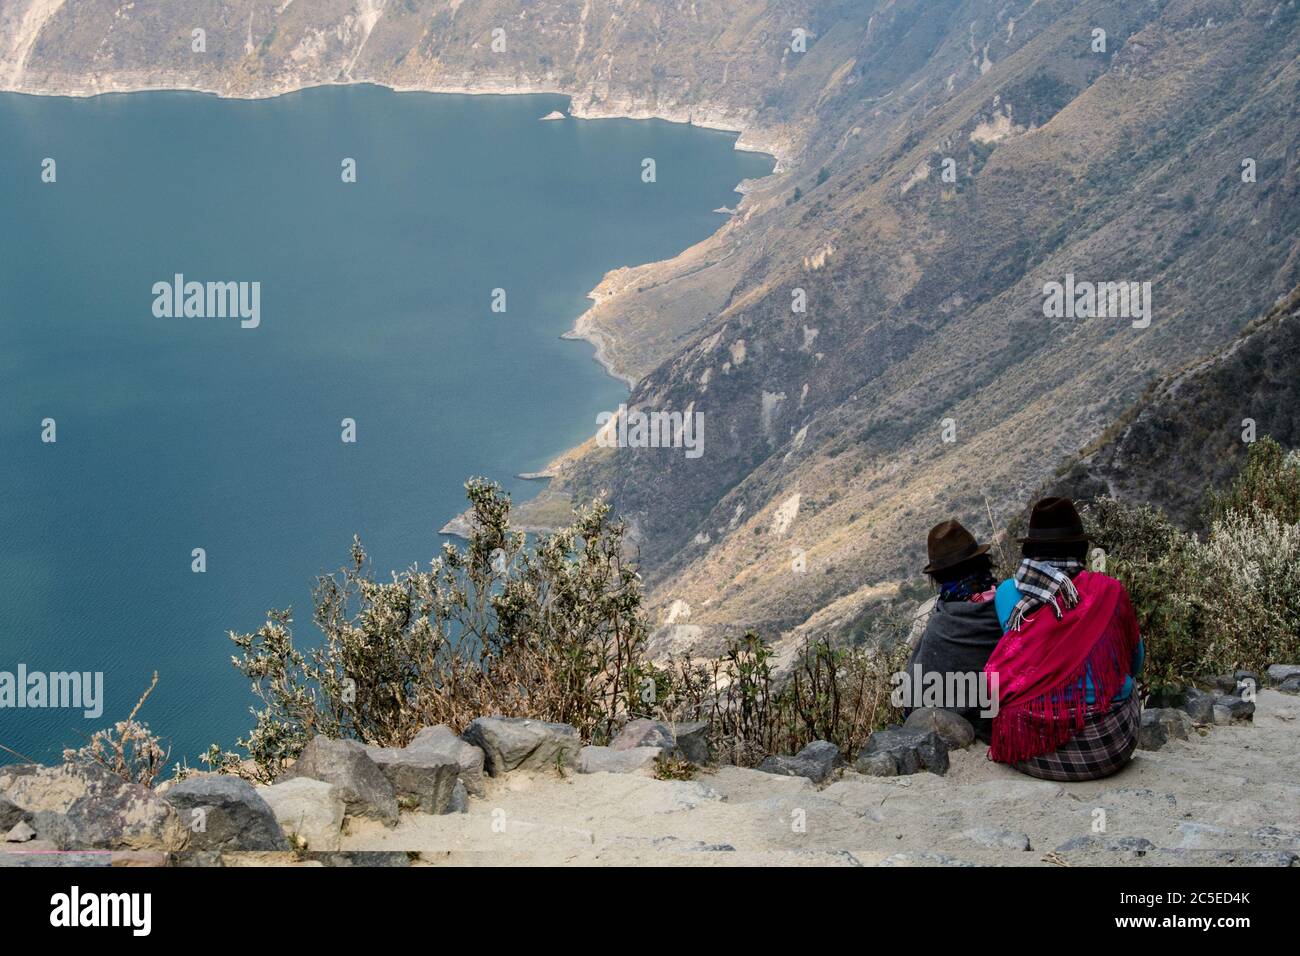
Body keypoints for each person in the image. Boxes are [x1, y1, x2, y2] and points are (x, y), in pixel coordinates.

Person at [984, 497, 1145, 781]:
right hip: (1108, 749)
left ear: (1031, 549)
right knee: (1128, 687)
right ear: (1080, 547)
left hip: (1033, 751)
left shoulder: (1008, 593)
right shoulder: (1110, 592)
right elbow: (1135, 662)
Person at [905, 520, 1004, 740]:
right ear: (981, 561)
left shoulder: (940, 627)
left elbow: (914, 692)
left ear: (939, 578)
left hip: (965, 730)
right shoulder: (1008, 605)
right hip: (1006, 720)